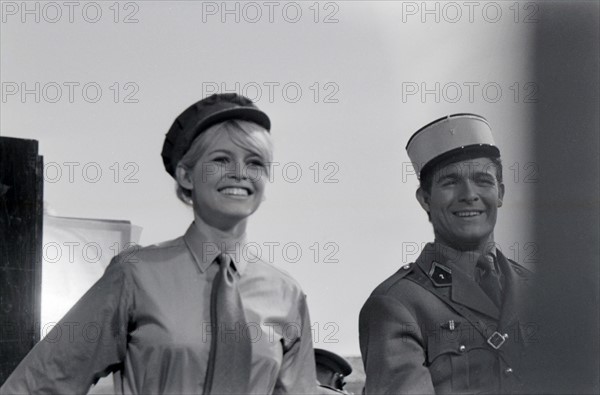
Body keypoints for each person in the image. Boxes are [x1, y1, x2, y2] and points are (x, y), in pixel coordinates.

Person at [1, 93, 317, 394]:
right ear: (186, 175)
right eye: (221, 159)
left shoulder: (286, 295)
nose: (239, 173)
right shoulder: (135, 276)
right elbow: (39, 384)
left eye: (256, 163)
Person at [359, 114, 533, 394]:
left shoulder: (540, 293)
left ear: (500, 192)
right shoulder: (398, 304)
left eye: (482, 181)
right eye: (450, 182)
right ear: (425, 199)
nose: (469, 194)